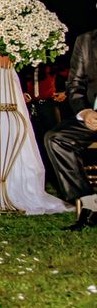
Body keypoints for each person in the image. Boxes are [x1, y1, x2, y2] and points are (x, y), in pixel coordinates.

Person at [44, 29, 97, 230]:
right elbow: (75, 85)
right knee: (56, 138)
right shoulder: (85, 41)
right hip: (94, 117)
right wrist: (85, 112)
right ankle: (91, 204)